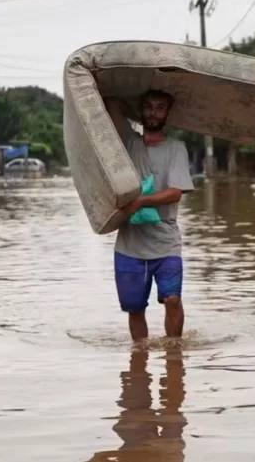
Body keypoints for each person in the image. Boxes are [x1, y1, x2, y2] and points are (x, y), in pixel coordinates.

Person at [104, 90, 194, 343]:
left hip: (165, 242)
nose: (154, 112)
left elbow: (175, 193)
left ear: (167, 113)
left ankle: (174, 356)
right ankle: (140, 358)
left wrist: (141, 201)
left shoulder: (177, 149)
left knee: (173, 299)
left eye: (160, 107)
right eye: (149, 107)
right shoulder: (129, 143)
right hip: (130, 244)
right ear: (141, 110)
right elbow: (111, 106)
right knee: (135, 308)